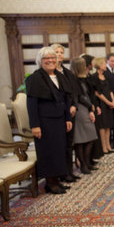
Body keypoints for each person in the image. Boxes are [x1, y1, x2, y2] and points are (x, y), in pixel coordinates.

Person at [26, 47, 73, 194]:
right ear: (40, 61)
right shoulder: (35, 78)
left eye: (53, 58)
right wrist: (35, 125)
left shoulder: (59, 76)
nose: (51, 60)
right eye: (46, 58)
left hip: (59, 119)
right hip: (44, 122)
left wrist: (67, 118)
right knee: (49, 152)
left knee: (59, 150)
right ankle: (50, 183)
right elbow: (31, 104)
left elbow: (65, 99)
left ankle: (56, 180)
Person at [51, 43, 80, 183]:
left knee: (69, 144)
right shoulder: (50, 73)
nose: (59, 54)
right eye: (56, 52)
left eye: (61, 52)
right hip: (58, 114)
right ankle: (61, 173)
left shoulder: (68, 73)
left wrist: (74, 106)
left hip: (71, 113)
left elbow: (74, 92)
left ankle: (69, 171)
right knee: (60, 144)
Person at [70, 57, 98, 174]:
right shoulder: (74, 79)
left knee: (90, 137)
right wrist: (90, 106)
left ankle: (86, 163)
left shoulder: (83, 78)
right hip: (80, 109)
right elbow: (79, 97)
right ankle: (83, 165)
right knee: (80, 139)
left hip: (85, 108)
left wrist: (90, 108)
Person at [91, 57, 114, 155]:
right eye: (104, 64)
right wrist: (108, 102)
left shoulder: (106, 76)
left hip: (109, 102)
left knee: (108, 125)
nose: (106, 65)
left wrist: (113, 101)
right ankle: (103, 147)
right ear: (99, 65)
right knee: (102, 125)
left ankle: (108, 145)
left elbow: (110, 90)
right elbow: (97, 93)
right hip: (101, 104)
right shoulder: (94, 77)